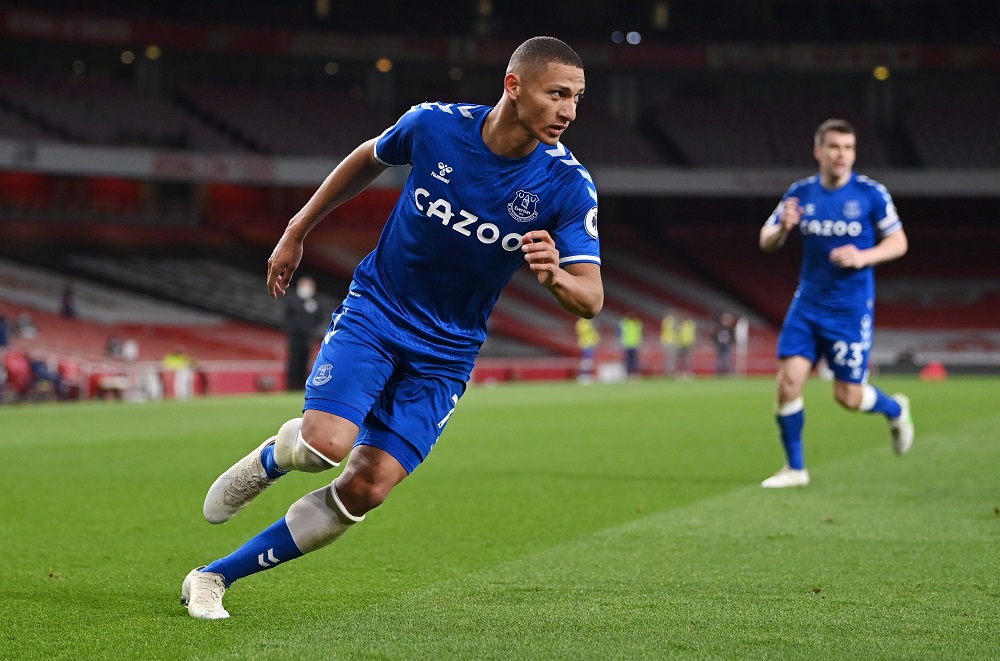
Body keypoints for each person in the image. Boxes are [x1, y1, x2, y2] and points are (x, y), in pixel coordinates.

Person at [181, 36, 602, 619]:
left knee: (365, 490)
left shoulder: (568, 185)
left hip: (448, 351)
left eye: (577, 99)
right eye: (557, 94)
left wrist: (556, 277)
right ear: (513, 85)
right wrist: (297, 229)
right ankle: (271, 461)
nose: (569, 112)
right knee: (324, 445)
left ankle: (211, 577)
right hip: (378, 311)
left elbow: (592, 297)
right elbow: (367, 158)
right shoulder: (433, 126)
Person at [758, 118, 914, 488]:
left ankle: (895, 409)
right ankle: (795, 468)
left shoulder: (871, 193)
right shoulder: (801, 193)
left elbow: (899, 242)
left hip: (849, 309)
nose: (841, 155)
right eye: (834, 147)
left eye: (848, 148)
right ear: (819, 151)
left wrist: (864, 256)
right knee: (788, 383)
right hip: (807, 304)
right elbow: (766, 239)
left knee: (847, 396)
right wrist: (783, 228)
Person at [284, 275, 324, 391]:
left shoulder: (316, 302)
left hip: (308, 337)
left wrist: (312, 331)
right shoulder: (293, 301)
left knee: (305, 361)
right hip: (295, 337)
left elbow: (319, 318)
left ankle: (302, 385)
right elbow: (287, 317)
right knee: (293, 361)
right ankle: (291, 386)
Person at [575, 316, 600, 384]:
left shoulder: (589, 322)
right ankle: (583, 376)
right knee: (586, 361)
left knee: (589, 361)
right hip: (585, 344)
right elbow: (581, 332)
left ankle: (587, 375)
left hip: (591, 344)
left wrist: (596, 339)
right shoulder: (581, 323)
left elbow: (594, 333)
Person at [618, 311, 643, 379]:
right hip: (629, 344)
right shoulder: (627, 323)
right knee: (630, 360)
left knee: (633, 360)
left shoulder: (626, 323)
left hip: (632, 344)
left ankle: (633, 374)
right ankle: (630, 374)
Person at [676, 312, 696, 378]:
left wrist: (693, 342)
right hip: (680, 343)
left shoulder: (691, 324)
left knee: (688, 359)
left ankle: (687, 372)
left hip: (688, 343)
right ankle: (679, 372)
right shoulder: (680, 323)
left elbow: (693, 334)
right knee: (680, 359)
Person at [660, 309, 677, 377]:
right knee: (670, 358)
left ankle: (670, 372)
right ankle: (670, 372)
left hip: (669, 341)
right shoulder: (671, 321)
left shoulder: (666, 321)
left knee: (670, 358)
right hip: (670, 341)